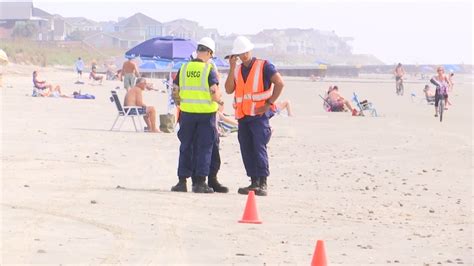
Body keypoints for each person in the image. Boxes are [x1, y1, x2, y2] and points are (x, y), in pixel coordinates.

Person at [224, 36, 285, 196]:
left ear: (250, 50)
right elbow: (229, 89)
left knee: (259, 147)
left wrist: (269, 103)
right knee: (246, 149)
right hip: (243, 116)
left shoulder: (264, 65)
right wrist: (231, 67)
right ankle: (253, 182)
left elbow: (279, 83)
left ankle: (262, 182)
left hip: (259, 116)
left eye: (245, 52)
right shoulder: (236, 70)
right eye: (240, 54)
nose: (243, 56)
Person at [170, 37, 222, 193]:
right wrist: (219, 101)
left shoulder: (184, 68)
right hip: (206, 115)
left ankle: (181, 181)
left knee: (186, 146)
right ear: (210, 53)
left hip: (187, 114)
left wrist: (181, 103)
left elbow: (175, 90)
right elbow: (213, 91)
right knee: (204, 148)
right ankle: (200, 182)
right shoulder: (208, 69)